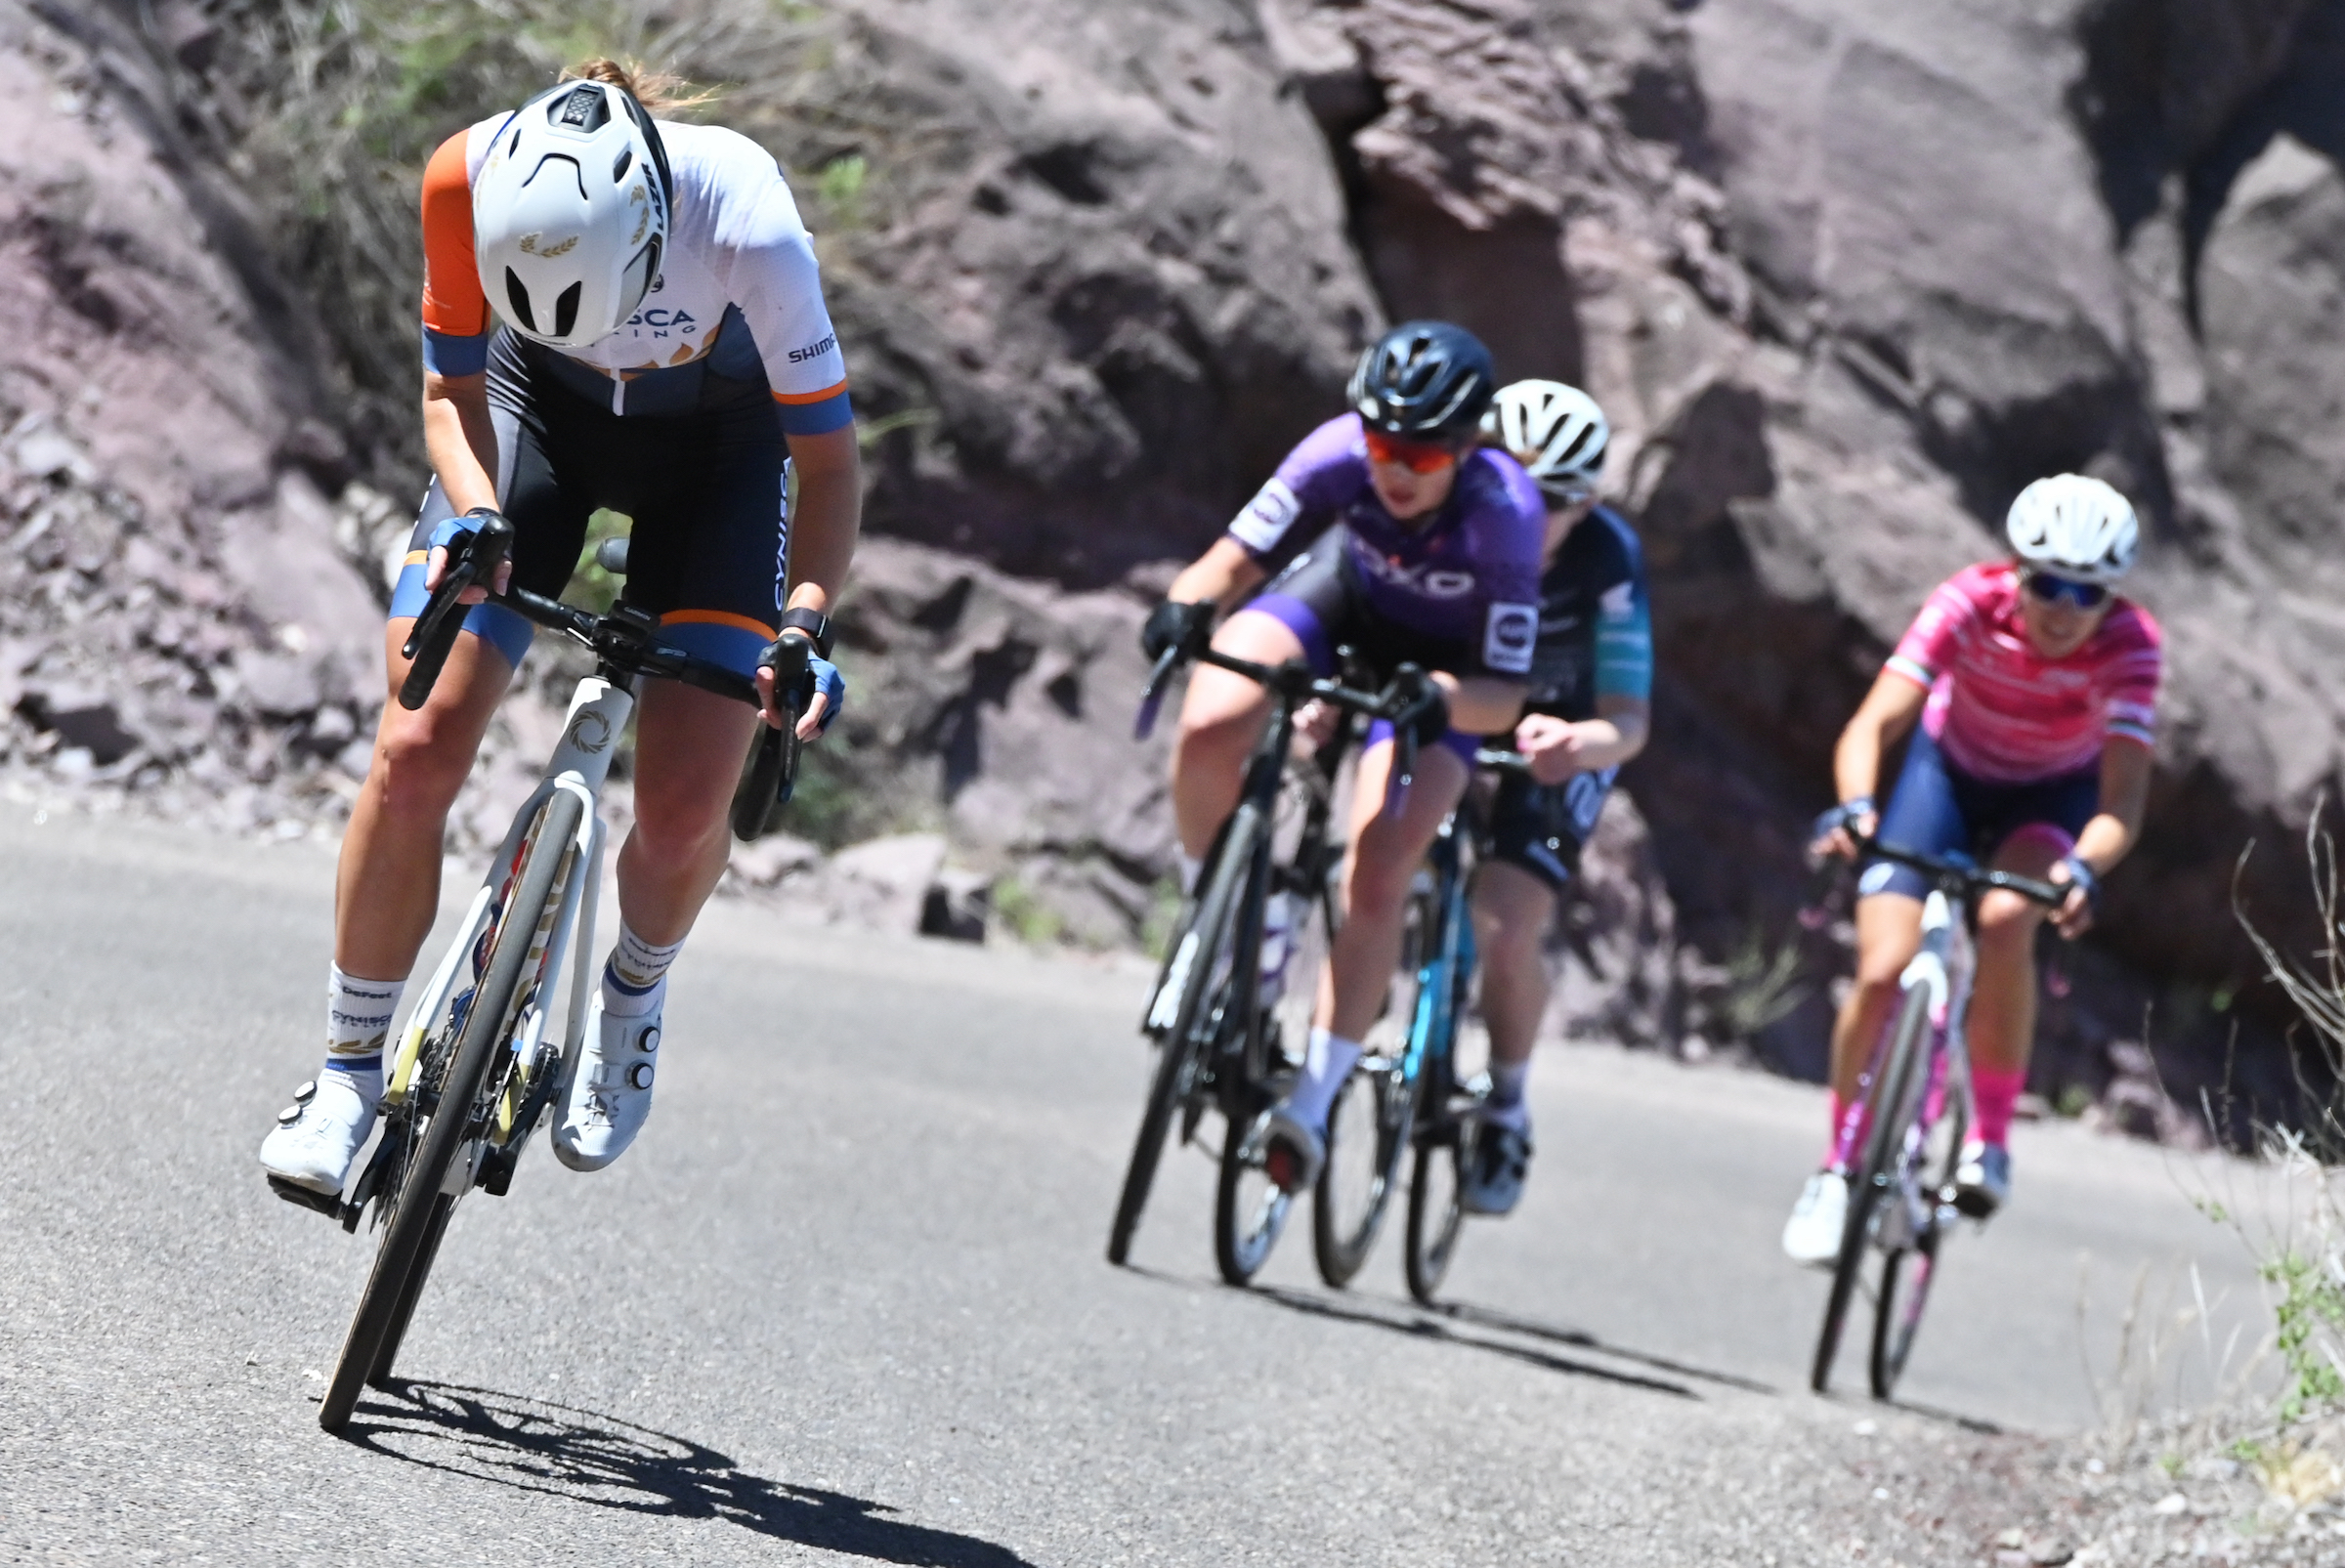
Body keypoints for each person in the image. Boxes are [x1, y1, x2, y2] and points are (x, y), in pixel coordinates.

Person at [261, 62, 858, 1196]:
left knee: (683, 809)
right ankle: (344, 1076)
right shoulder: (463, 177)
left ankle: (632, 995)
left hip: (721, 462)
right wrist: (479, 515)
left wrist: (803, 626)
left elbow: (828, 465)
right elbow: (451, 392)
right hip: (532, 418)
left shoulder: (749, 221)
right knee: (414, 744)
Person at [1144, 320, 1542, 1193]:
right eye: (1382, 444)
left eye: (1422, 456)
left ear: (1467, 448)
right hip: (1340, 602)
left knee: (1378, 867)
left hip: (1444, 676)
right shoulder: (1336, 450)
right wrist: (1184, 607)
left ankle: (1313, 1102)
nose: (1395, 468)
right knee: (1212, 719)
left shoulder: (1507, 511)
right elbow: (1227, 563)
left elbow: (1504, 694)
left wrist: (1441, 699)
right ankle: (1214, 921)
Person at [1780, 475, 2160, 1264]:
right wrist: (1855, 808)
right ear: (2016, 571)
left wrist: (2082, 868)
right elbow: (1873, 724)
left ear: (2111, 596)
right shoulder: (1967, 601)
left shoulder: (2131, 644)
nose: (2064, 609)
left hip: (2049, 795)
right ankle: (1836, 1170)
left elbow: (2122, 802)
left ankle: (1988, 1138)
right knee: (1881, 969)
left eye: (2087, 592)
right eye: (2048, 583)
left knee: (2006, 919)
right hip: (1947, 776)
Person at [1459, 381, 1651, 1216]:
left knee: (1506, 931)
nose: (1529, 517)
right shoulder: (1451, 519)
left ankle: (1505, 1102)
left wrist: (1581, 745)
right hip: (1459, 705)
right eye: (1512, 490)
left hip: (1563, 733)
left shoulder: (1606, 557)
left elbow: (1630, 718)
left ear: (1589, 504)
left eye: (1556, 502)